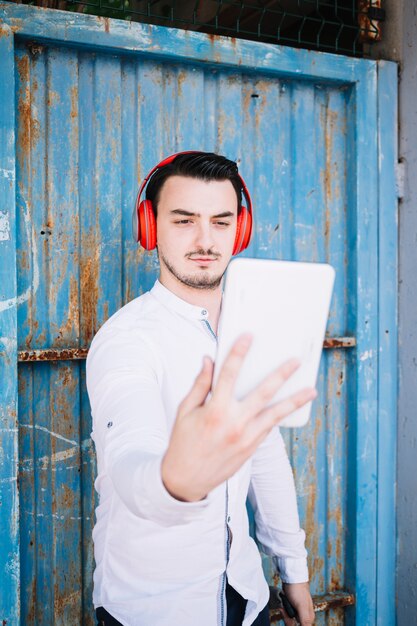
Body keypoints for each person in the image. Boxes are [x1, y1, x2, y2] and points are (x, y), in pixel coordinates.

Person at [86, 151, 316, 626]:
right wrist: (174, 484)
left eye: (221, 221)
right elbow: (130, 456)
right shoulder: (125, 340)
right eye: (184, 220)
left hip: (245, 595)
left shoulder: (250, 327)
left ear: (241, 228)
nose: (206, 240)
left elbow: (266, 454)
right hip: (155, 610)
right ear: (150, 228)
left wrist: (293, 572)